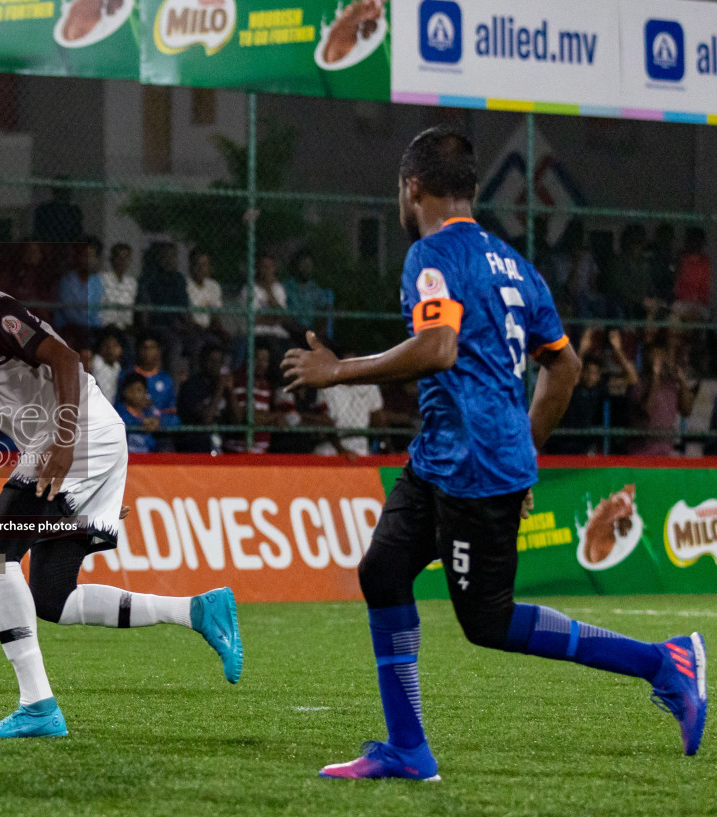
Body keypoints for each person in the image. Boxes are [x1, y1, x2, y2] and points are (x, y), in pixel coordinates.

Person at [282, 127, 705, 781]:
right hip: (447, 456)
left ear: (412, 186)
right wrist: (525, 451)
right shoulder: (516, 266)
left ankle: (664, 661)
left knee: (489, 620)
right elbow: (561, 370)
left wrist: (337, 371)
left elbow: (437, 348)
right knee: (384, 571)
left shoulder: (431, 254)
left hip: (475, 466)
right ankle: (407, 748)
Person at [0, 249, 242, 739]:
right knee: (52, 596)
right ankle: (196, 610)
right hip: (71, 445)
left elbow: (65, 358)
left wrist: (65, 447)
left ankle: (38, 707)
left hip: (75, 436)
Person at [116, 372, 178, 453]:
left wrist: (158, 422)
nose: (134, 394)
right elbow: (121, 422)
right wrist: (141, 423)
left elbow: (175, 420)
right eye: (131, 390)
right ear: (124, 392)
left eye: (139, 390)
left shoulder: (150, 410)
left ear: (145, 392)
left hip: (149, 457)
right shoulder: (118, 411)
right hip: (127, 457)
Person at [96, 243, 137, 332]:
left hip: (125, 327)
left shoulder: (132, 282)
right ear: (112, 259)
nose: (122, 261)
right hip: (105, 326)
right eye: (119, 257)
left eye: (126, 258)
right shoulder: (102, 278)